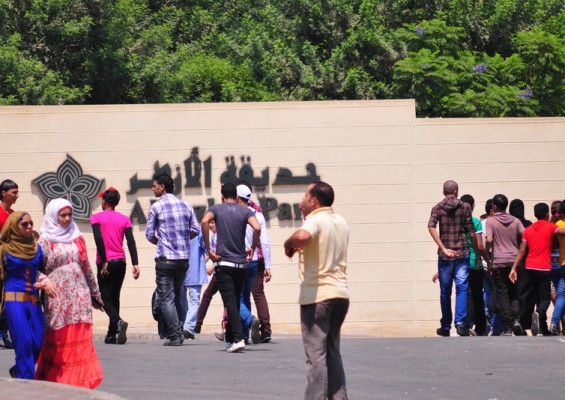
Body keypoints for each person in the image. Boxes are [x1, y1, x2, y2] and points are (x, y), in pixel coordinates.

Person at [284, 181, 350, 400]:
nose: (302, 201)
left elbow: (302, 237)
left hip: (317, 295)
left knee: (316, 355)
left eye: (305, 196)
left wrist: (288, 244)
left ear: (314, 200)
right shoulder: (340, 221)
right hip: (340, 293)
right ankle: (339, 397)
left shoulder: (316, 219)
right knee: (332, 351)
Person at [35, 198, 104, 389]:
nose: (66, 219)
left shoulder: (77, 237)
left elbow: (86, 266)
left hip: (79, 294)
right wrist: (44, 281)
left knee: (79, 333)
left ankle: (78, 381)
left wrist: (95, 294)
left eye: (69, 215)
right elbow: (33, 268)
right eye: (62, 215)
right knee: (60, 335)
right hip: (58, 297)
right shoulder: (44, 240)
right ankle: (59, 380)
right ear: (53, 216)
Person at [201, 183, 260, 353]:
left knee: (230, 303)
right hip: (241, 265)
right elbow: (257, 227)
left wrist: (209, 249)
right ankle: (233, 338)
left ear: (222, 196)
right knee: (235, 299)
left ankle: (238, 338)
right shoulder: (246, 211)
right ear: (236, 196)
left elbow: (204, 221)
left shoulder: (217, 209)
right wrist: (253, 247)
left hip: (224, 264)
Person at [145, 172, 199, 346]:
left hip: (165, 259)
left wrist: (162, 241)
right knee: (177, 296)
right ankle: (178, 330)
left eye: (154, 186)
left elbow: (149, 234)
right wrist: (182, 239)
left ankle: (175, 335)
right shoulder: (186, 206)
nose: (152, 189)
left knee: (166, 298)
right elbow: (195, 230)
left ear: (162, 187)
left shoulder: (156, 207)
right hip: (183, 260)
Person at [0, 212, 55, 379]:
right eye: (25, 224)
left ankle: (19, 370)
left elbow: (42, 271)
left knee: (38, 344)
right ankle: (27, 386)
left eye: (31, 223)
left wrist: (44, 282)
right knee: (23, 344)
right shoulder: (4, 249)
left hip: (34, 301)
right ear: (14, 227)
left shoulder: (37, 248)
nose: (30, 226)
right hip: (14, 302)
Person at [91, 187, 140, 345]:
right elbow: (130, 241)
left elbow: (98, 239)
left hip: (106, 263)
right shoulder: (124, 219)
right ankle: (112, 334)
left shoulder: (96, 218)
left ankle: (117, 322)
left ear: (104, 201)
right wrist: (135, 263)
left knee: (105, 298)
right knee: (115, 297)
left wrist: (104, 260)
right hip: (121, 262)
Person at [427, 180, 477, 337]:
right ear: (456, 191)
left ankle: (446, 325)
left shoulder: (437, 208)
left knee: (445, 291)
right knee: (462, 288)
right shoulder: (465, 207)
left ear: (444, 191)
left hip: (445, 255)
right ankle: (461, 324)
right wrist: (476, 251)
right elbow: (472, 232)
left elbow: (430, 226)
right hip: (462, 252)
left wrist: (442, 247)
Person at [509, 203, 565, 336]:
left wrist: (514, 268)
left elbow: (522, 250)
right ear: (547, 215)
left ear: (534, 215)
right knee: (544, 298)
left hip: (529, 268)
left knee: (536, 295)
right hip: (544, 268)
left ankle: (543, 327)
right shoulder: (551, 227)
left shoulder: (528, 230)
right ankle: (539, 313)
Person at [485, 194, 525, 336]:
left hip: (498, 261)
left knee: (502, 293)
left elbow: (489, 238)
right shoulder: (515, 221)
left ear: (494, 206)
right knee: (514, 291)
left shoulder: (491, 221)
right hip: (514, 260)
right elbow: (525, 236)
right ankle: (516, 320)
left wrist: (488, 249)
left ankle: (507, 327)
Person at [236, 184, 271, 344]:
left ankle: (247, 326)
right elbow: (264, 242)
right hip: (256, 261)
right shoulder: (258, 215)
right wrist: (268, 265)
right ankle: (265, 330)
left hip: (239, 260)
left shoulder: (235, 213)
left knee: (238, 298)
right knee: (253, 295)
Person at [460, 194, 490, 336]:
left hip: (459, 263)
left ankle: (464, 325)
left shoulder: (457, 222)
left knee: (463, 294)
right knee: (477, 295)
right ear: (472, 206)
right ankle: (480, 327)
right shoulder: (475, 222)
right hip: (474, 263)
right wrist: (485, 260)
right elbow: (479, 245)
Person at [509, 198, 534, 330]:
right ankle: (525, 321)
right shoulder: (528, 224)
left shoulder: (509, 223)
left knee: (512, 292)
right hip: (526, 262)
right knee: (527, 292)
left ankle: (514, 320)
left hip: (510, 261)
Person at [0, 179, 19, 349]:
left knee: (7, 297)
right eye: (14, 192)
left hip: (10, 262)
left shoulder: (13, 215)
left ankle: (4, 331)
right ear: (3, 193)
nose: (17, 196)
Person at [181, 229, 207, 340]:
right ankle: (188, 327)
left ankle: (183, 327)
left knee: (180, 301)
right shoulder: (198, 230)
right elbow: (207, 248)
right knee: (194, 301)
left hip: (179, 270)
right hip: (195, 271)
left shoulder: (177, 229)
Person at [195, 220, 219, 334]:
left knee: (207, 295)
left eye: (213, 222)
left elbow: (223, 255)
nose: (210, 225)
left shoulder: (221, 236)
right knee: (229, 300)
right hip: (218, 271)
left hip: (221, 272)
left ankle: (197, 325)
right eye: (209, 223)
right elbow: (211, 254)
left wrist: (213, 268)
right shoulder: (214, 236)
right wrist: (200, 264)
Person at [549, 200, 565, 334]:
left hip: (549, 263)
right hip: (561, 262)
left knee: (557, 295)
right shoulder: (560, 226)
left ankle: (558, 323)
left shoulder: (550, 225)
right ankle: (555, 322)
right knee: (561, 295)